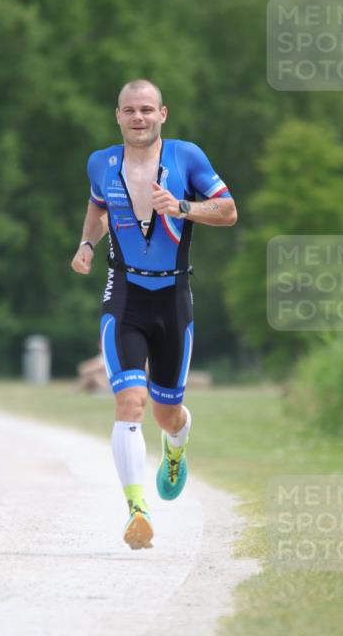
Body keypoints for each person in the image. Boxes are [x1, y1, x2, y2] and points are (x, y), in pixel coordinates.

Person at [71, 79, 237, 549]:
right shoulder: (100, 162)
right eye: (129, 110)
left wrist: (182, 207)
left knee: (166, 414)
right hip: (123, 293)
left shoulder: (187, 157)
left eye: (147, 109)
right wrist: (87, 243)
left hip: (173, 298)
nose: (138, 117)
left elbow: (228, 211)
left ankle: (177, 445)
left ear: (163, 113)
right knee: (129, 403)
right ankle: (136, 511)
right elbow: (98, 206)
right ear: (118, 116)